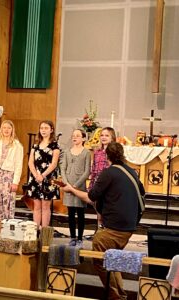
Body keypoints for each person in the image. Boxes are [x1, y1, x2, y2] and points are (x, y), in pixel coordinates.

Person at [63, 142, 145, 300]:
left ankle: (116, 296)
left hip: (116, 226)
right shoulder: (131, 171)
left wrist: (72, 190)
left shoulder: (109, 173)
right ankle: (119, 293)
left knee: (99, 254)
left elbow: (90, 197)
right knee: (112, 258)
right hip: (130, 224)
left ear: (107, 155)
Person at [0, 120, 23, 233]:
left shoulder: (17, 145)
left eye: (8, 128)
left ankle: (5, 233)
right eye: (4, 128)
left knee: (6, 204)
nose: (6, 130)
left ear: (12, 130)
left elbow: (18, 165)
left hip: (8, 177)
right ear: (1, 129)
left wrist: (15, 181)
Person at [60, 129, 91, 248]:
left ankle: (79, 238)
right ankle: (72, 237)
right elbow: (63, 168)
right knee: (71, 213)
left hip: (79, 186)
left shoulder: (86, 153)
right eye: (73, 136)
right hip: (68, 185)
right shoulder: (67, 151)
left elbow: (87, 171)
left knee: (80, 213)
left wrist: (76, 185)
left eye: (78, 136)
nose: (75, 138)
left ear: (83, 138)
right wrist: (66, 183)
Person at [27, 120, 60, 229]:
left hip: (48, 178)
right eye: (42, 128)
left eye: (46, 128)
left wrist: (43, 175)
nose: (43, 130)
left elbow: (54, 164)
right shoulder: (35, 145)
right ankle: (35, 231)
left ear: (51, 130)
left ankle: (44, 232)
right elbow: (30, 162)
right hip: (35, 178)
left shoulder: (55, 145)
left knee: (45, 207)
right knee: (36, 206)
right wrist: (36, 175)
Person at [89, 127, 116, 227]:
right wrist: (92, 186)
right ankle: (99, 233)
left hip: (109, 185)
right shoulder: (97, 152)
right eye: (102, 135)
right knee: (99, 214)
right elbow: (94, 170)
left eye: (107, 135)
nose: (103, 137)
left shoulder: (113, 152)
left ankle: (107, 233)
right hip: (98, 184)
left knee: (106, 213)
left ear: (112, 137)